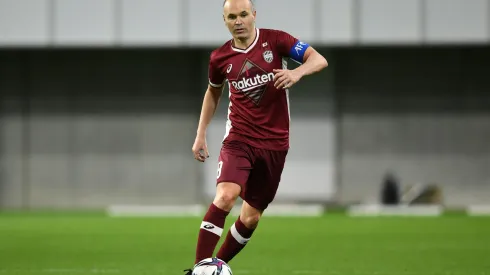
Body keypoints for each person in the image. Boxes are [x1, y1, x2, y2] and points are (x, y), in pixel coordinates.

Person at [185, 0, 328, 272]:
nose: (238, 21)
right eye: (231, 17)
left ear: (253, 15)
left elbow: (319, 59)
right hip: (239, 139)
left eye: (242, 15)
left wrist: (296, 72)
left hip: (274, 145)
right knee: (226, 196)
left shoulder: (277, 41)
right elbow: (213, 91)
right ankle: (200, 268)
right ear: (224, 21)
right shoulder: (219, 58)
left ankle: (217, 266)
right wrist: (200, 133)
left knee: (250, 218)